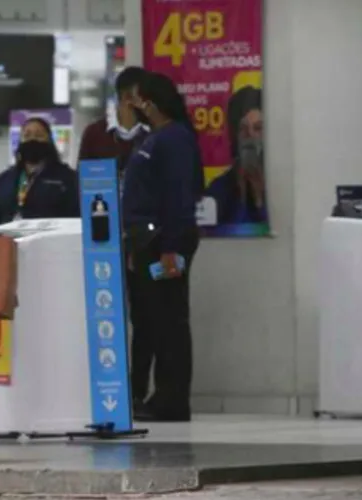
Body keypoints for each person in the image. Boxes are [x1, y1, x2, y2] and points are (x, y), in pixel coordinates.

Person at [122, 72, 203, 422]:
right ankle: (158, 395)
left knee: (170, 320)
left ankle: (172, 400)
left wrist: (171, 248)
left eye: (138, 99)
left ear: (152, 102)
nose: (134, 106)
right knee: (153, 320)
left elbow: (179, 196)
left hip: (164, 243)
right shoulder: (152, 140)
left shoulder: (174, 139)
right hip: (145, 242)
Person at [0, 117, 80, 222]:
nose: (32, 139)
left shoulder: (67, 178)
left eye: (39, 136)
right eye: (27, 135)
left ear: (49, 141)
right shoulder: (4, 179)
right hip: (8, 236)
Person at [205, 86, 265, 225]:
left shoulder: (278, 183)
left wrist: (258, 197)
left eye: (258, 128)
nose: (250, 136)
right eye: (243, 129)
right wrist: (242, 193)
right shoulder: (219, 187)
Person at [79, 66, 149, 172]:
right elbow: (83, 182)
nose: (148, 102)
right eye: (145, 95)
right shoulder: (94, 133)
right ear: (127, 97)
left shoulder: (155, 134)